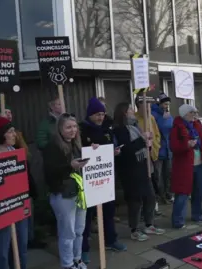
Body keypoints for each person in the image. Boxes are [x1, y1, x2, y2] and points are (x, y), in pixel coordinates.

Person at [0, 116, 37, 269]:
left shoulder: (17, 152)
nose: (15, 135)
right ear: (0, 134)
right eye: (11, 131)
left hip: (19, 206)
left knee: (20, 247)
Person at [79, 98, 126, 264]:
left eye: (102, 114)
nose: (100, 117)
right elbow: (79, 152)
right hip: (90, 179)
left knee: (109, 210)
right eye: (97, 114)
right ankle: (83, 248)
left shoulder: (107, 128)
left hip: (106, 176)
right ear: (90, 114)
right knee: (87, 215)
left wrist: (114, 152)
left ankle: (110, 240)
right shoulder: (82, 129)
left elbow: (110, 146)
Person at [113, 102, 164, 241]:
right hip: (130, 170)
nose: (132, 111)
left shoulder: (136, 126)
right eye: (130, 109)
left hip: (142, 166)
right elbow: (126, 149)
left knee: (150, 196)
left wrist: (147, 142)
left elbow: (142, 146)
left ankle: (149, 224)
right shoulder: (120, 129)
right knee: (135, 201)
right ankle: (134, 229)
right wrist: (142, 140)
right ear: (124, 112)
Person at [42, 113, 88, 269]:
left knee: (79, 230)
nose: (72, 130)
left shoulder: (77, 145)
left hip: (79, 194)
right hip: (63, 195)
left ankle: (77, 259)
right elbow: (50, 173)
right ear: (60, 129)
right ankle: (67, 264)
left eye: (74, 126)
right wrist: (70, 166)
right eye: (68, 127)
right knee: (67, 234)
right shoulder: (52, 147)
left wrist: (94, 151)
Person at [170, 104, 202, 228]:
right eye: (191, 113)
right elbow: (173, 146)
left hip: (199, 163)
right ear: (185, 114)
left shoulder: (196, 125)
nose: (194, 115)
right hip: (184, 166)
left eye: (194, 113)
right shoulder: (177, 127)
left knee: (198, 191)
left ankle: (197, 214)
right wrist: (186, 145)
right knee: (182, 193)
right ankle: (178, 220)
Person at [135, 96, 162, 215]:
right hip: (141, 156)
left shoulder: (151, 118)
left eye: (148, 105)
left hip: (152, 154)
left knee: (155, 179)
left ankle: (154, 205)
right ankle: (143, 208)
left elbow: (157, 135)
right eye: (144, 104)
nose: (147, 107)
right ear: (138, 105)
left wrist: (156, 147)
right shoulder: (134, 119)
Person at [151, 93, 174, 203]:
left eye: (168, 104)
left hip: (168, 149)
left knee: (168, 174)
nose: (166, 106)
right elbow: (155, 130)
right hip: (159, 150)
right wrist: (163, 120)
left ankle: (168, 194)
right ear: (159, 103)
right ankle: (160, 196)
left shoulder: (168, 115)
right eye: (165, 104)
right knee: (158, 175)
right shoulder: (153, 115)